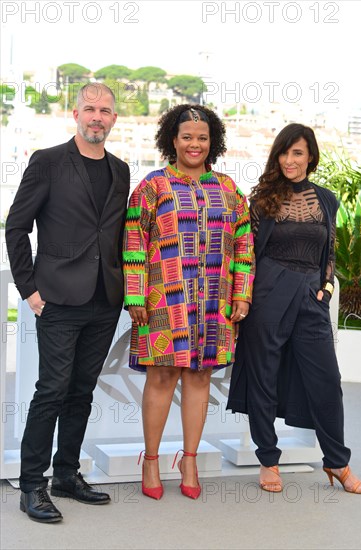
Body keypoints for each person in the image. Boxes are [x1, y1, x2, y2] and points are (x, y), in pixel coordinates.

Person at [6, 83, 130, 522]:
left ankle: (66, 475)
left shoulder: (121, 170)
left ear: (114, 118)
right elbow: (16, 226)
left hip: (104, 299)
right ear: (75, 113)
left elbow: (115, 236)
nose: (97, 117)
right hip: (57, 298)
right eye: (90, 109)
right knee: (52, 391)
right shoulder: (48, 161)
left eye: (105, 111)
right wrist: (29, 289)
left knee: (81, 392)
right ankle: (33, 485)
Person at [123, 104, 255, 500]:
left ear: (212, 143)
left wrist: (242, 294)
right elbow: (133, 240)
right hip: (163, 300)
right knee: (161, 377)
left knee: (200, 377)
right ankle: (150, 459)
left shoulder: (229, 190)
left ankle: (190, 458)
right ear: (172, 140)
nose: (194, 144)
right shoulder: (152, 187)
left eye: (202, 138)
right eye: (187, 137)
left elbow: (246, 244)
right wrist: (134, 293)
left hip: (214, 303)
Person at [227, 123, 361, 495]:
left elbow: (330, 250)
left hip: (310, 296)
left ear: (310, 157)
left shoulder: (326, 199)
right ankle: (268, 459)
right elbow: (246, 253)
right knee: (263, 376)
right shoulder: (261, 200)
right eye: (284, 153)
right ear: (277, 156)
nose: (290, 160)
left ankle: (337, 462)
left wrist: (326, 286)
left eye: (298, 153)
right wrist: (242, 297)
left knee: (326, 380)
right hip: (269, 291)